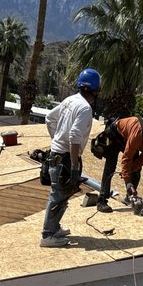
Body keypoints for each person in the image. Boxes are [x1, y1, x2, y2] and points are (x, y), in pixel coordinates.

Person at [39, 68, 101, 248]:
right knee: (58, 196)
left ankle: (54, 228)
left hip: (57, 155)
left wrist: (56, 141)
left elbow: (50, 118)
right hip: (65, 159)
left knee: (62, 195)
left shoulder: (70, 100)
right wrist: (74, 166)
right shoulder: (84, 108)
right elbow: (74, 136)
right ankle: (47, 235)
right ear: (96, 89)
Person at [94, 116, 143, 213]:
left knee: (137, 171)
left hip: (129, 138)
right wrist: (128, 181)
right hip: (116, 134)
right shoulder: (138, 133)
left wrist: (132, 170)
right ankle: (101, 201)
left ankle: (130, 198)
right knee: (110, 166)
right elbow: (127, 158)